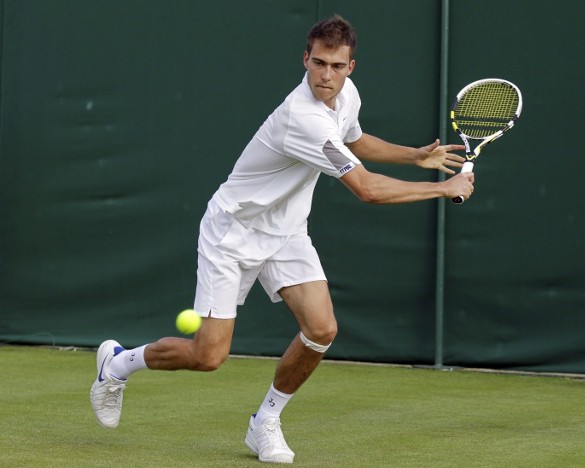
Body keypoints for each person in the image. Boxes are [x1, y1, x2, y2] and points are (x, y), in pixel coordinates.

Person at [90, 15, 474, 465]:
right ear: (305, 59)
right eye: (318, 64)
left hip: (286, 231)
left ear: (351, 66)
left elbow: (354, 139)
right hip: (232, 232)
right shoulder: (301, 118)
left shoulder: (345, 95)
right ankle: (117, 363)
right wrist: (443, 188)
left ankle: (265, 422)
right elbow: (367, 189)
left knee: (321, 328)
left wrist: (415, 156)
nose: (325, 75)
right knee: (209, 355)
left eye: (336, 65)